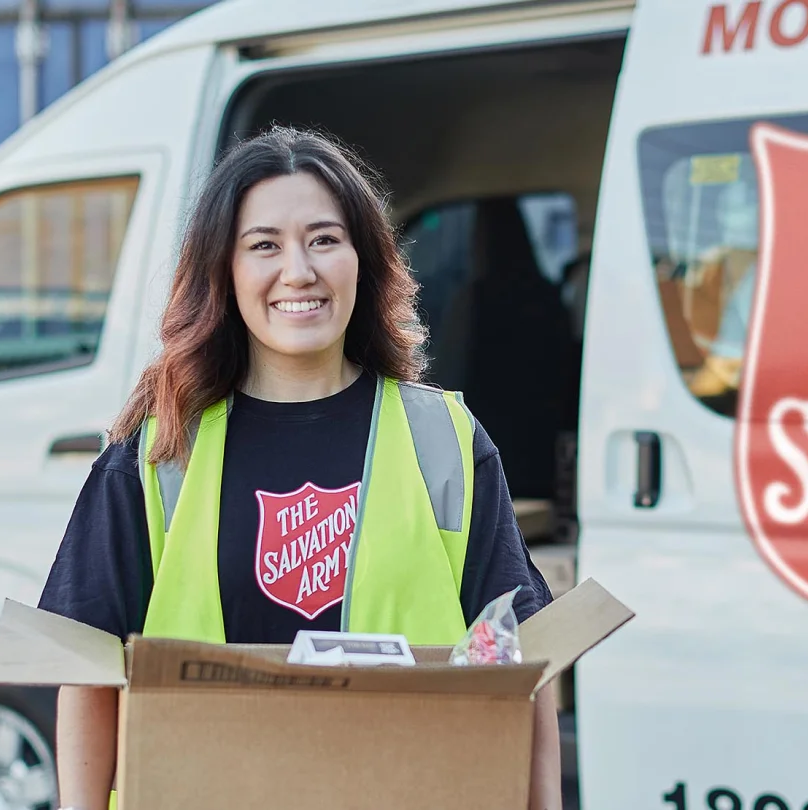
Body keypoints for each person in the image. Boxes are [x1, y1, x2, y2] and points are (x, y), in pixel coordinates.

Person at [37, 126, 561, 809]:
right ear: (223, 269)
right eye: (264, 245)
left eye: (323, 238)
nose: (299, 271)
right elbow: (88, 667)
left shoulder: (444, 440)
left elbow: (523, 656)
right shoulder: (160, 451)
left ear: (362, 259)